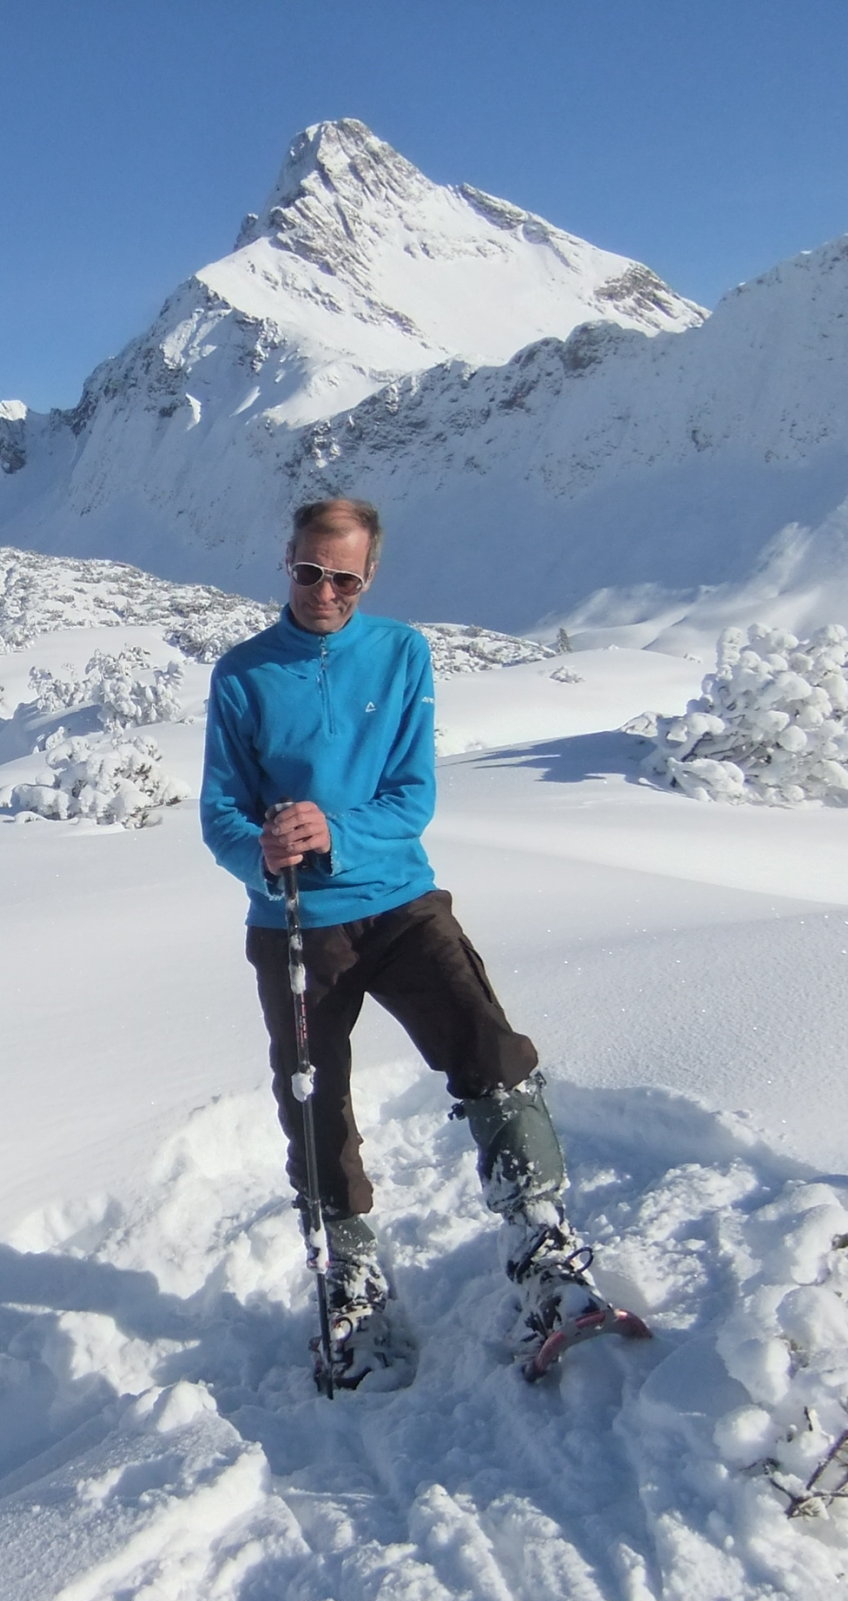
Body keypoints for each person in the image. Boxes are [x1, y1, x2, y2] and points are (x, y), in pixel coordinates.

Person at [199, 497, 611, 1363]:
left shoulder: (401, 653)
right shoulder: (242, 674)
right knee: (313, 1100)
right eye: (309, 572)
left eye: (344, 580)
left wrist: (336, 832)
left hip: (398, 901)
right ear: (287, 562)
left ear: (370, 577)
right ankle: (349, 1271)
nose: (325, 592)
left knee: (489, 1048)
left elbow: (412, 796)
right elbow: (221, 812)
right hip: (295, 921)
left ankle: (542, 1241)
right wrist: (260, 849)